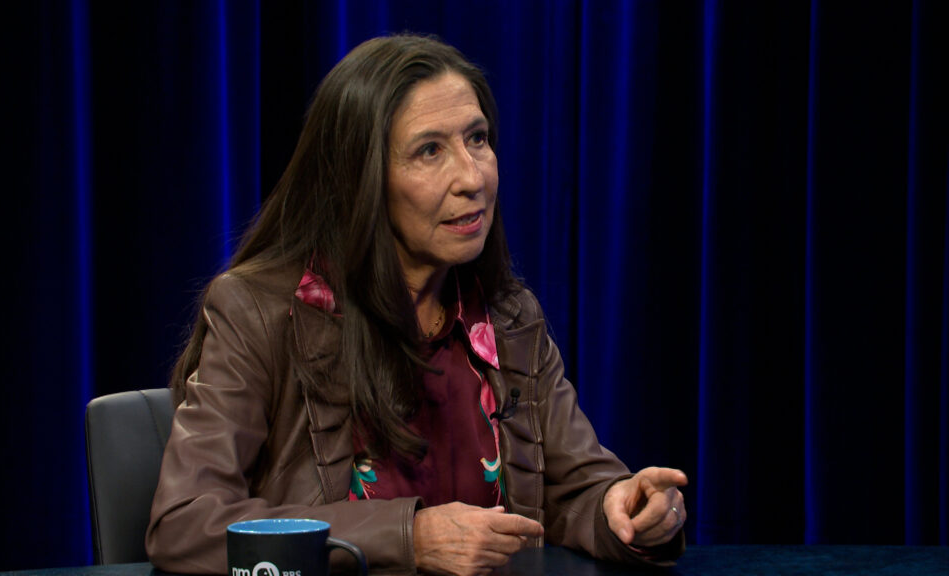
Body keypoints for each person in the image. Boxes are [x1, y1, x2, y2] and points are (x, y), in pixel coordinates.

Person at [146, 34, 687, 576]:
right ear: (359, 179)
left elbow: (572, 493)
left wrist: (625, 509)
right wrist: (410, 537)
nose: (472, 178)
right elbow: (185, 523)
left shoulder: (509, 317)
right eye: (430, 150)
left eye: (478, 139)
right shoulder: (255, 313)